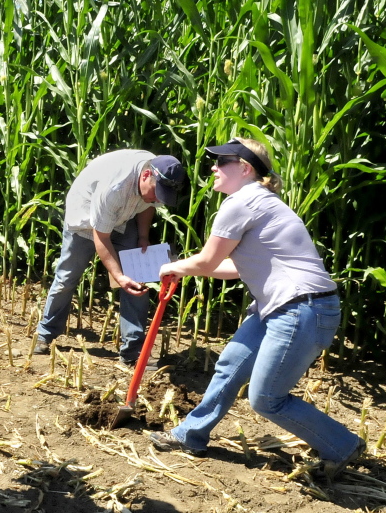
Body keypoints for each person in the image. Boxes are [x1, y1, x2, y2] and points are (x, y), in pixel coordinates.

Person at [148, 138, 364, 480]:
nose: (213, 168)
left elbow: (206, 261)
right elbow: (234, 267)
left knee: (266, 399)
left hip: (301, 310)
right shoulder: (261, 201)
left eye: (222, 162)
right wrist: (181, 268)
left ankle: (342, 445)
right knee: (230, 364)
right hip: (281, 307)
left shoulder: (242, 202)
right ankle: (191, 435)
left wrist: (170, 266)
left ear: (246, 168)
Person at [33, 150, 186, 365]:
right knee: (67, 278)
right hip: (85, 221)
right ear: (145, 176)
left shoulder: (159, 176)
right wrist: (119, 276)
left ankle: (132, 352)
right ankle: (45, 334)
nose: (156, 198)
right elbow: (101, 237)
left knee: (138, 280)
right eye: (155, 192)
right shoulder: (115, 188)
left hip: (123, 219)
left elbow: (148, 205)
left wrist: (143, 236)